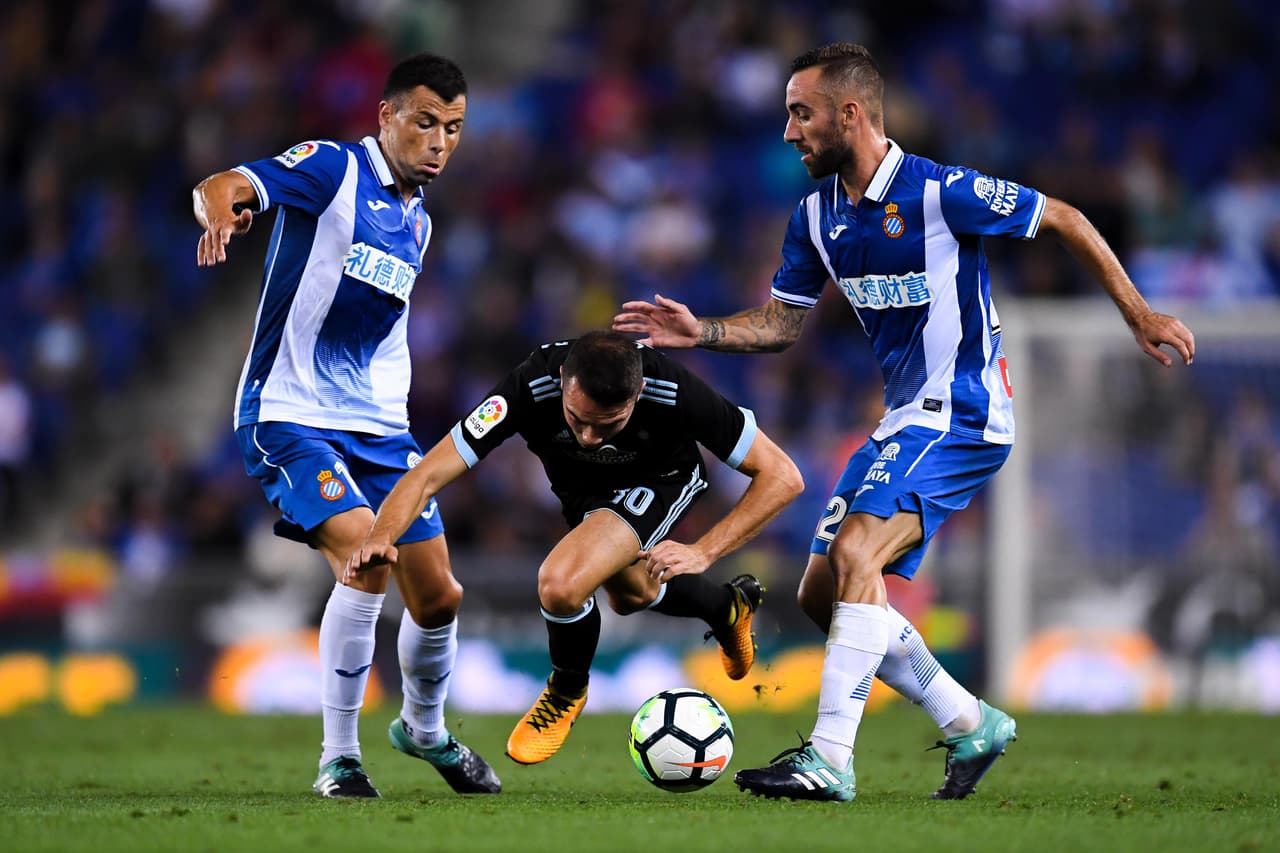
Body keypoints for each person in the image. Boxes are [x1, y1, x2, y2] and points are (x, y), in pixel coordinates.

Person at [614, 42, 1195, 802]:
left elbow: (1064, 217)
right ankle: (970, 721)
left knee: (857, 550)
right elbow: (783, 324)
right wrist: (705, 332)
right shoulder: (816, 215)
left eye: (801, 113)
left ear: (850, 114)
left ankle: (830, 757)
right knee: (824, 594)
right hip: (903, 418)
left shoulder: (939, 191)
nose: (789, 132)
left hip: (965, 408)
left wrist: (1138, 311)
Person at [192, 53, 501, 799]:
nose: (439, 142)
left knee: (441, 596)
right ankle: (340, 758)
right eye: (424, 122)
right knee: (368, 556)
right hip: (290, 415)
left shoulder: (419, 220)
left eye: (453, 128)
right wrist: (221, 214)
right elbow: (225, 184)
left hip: (380, 431)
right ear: (386, 116)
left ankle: (424, 728)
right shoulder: (335, 169)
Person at [345, 331, 804, 765]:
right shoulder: (529, 386)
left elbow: (783, 476)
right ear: (564, 379)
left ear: (639, 392)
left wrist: (703, 551)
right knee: (632, 593)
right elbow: (428, 473)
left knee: (561, 583)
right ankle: (727, 607)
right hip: (583, 495)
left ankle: (566, 690)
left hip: (657, 482)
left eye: (608, 424)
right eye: (578, 419)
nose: (589, 437)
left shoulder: (674, 389)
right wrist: (380, 536)